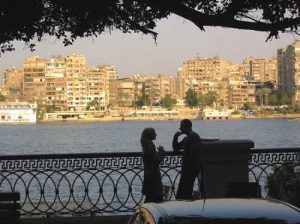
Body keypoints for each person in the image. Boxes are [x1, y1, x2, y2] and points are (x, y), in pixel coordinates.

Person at [172, 119, 204, 200]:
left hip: (190, 170)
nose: (180, 129)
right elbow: (176, 148)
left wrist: (189, 168)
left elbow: (194, 154)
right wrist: (175, 137)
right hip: (187, 169)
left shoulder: (193, 137)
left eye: (181, 126)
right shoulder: (187, 138)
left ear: (187, 127)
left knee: (185, 192)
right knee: (183, 191)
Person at [140, 127, 165, 203]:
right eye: (154, 133)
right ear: (150, 135)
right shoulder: (150, 146)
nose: (156, 135)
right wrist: (162, 152)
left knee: (150, 198)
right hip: (153, 176)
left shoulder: (146, 145)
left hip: (148, 174)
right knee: (155, 197)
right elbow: (157, 160)